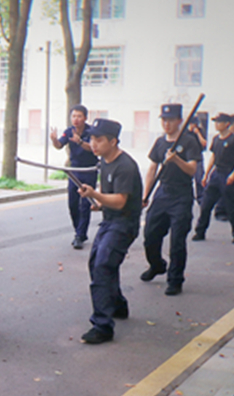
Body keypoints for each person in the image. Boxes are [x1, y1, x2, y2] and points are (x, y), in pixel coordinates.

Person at [78, 118, 143, 344]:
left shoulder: (125, 165)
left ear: (113, 141)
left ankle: (102, 325)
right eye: (91, 138)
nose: (93, 143)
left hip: (124, 223)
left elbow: (120, 201)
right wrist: (99, 202)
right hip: (110, 220)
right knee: (98, 262)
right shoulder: (104, 161)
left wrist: (96, 195)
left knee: (103, 264)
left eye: (99, 139)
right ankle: (117, 305)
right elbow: (110, 197)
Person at [141, 104, 202, 295]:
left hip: (181, 195)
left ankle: (175, 280)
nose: (166, 123)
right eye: (164, 120)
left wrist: (176, 159)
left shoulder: (189, 141)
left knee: (177, 241)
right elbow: (152, 169)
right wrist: (145, 195)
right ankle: (157, 264)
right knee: (150, 234)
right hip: (162, 192)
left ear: (179, 121)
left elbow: (192, 170)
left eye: (170, 119)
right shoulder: (160, 142)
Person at [49, 105, 98, 249]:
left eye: (79, 116)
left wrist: (80, 142)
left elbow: (95, 149)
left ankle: (79, 235)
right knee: (72, 204)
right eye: (73, 116)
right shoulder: (69, 131)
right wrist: (53, 140)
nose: (76, 119)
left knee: (85, 205)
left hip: (89, 170)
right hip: (74, 170)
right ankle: (79, 231)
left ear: (85, 118)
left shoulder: (92, 132)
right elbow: (59, 145)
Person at [192, 113, 234, 244]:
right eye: (215, 122)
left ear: (227, 124)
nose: (216, 124)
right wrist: (206, 175)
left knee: (231, 206)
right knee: (206, 204)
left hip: (228, 174)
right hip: (216, 174)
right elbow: (213, 157)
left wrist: (233, 174)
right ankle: (200, 232)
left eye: (219, 122)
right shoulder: (216, 139)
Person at [188, 117, 208, 206]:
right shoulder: (185, 133)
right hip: (187, 158)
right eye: (193, 124)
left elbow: (204, 143)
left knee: (199, 178)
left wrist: (198, 133)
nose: (194, 126)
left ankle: (201, 198)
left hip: (198, 157)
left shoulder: (200, 132)